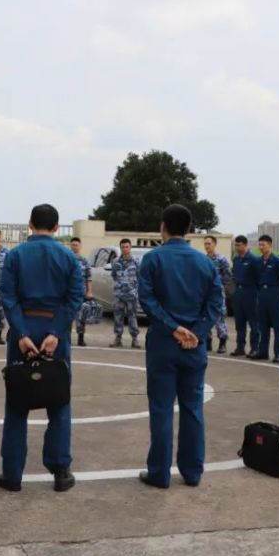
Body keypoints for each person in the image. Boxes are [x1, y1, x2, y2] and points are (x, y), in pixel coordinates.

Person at [0, 204, 83, 493]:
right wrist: (57, 333)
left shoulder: (15, 255)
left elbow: (7, 296)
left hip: (23, 331)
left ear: (30, 224)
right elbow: (75, 298)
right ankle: (60, 470)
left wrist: (20, 333)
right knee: (59, 401)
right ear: (57, 228)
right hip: (54, 334)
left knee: (17, 403)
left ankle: (12, 475)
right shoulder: (69, 257)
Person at [137, 204, 223, 489]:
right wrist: (195, 332)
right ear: (189, 230)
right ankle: (192, 471)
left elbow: (147, 300)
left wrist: (173, 327)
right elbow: (216, 304)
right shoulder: (206, 263)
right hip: (194, 345)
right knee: (192, 409)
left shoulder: (153, 259)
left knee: (161, 409)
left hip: (164, 342)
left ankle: (160, 474)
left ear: (163, 226)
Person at [255, 235, 279, 363]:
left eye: (264, 245)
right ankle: (263, 352)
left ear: (270, 245)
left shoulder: (278, 261)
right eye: (260, 244)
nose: (261, 247)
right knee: (263, 326)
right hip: (262, 295)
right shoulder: (258, 261)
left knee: (278, 327)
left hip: (275, 294)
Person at [231, 236, 261, 357]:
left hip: (251, 293)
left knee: (254, 323)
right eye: (235, 245)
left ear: (245, 245)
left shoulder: (254, 260)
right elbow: (234, 275)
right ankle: (240, 347)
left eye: (238, 245)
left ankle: (254, 348)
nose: (237, 247)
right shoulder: (236, 259)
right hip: (238, 293)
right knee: (239, 323)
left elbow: (258, 278)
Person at [203, 235, 231, 354]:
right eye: (205, 244)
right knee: (205, 317)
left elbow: (228, 275)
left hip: (217, 293)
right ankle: (207, 342)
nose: (207, 246)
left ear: (214, 244)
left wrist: (219, 285)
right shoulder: (203, 259)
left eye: (209, 244)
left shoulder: (221, 259)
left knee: (220, 317)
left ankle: (222, 343)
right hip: (205, 293)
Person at [111, 238, 140, 349]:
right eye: (123, 247)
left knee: (132, 317)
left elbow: (139, 277)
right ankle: (118, 338)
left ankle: (135, 340)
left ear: (130, 247)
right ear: (120, 248)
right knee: (118, 317)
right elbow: (114, 276)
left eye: (127, 247)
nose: (125, 249)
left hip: (131, 294)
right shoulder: (115, 262)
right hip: (119, 294)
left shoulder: (136, 262)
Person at [70, 237, 94, 347]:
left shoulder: (85, 261)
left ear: (80, 246)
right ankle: (67, 338)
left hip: (81, 294)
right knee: (67, 317)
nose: (75, 246)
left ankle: (81, 338)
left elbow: (89, 278)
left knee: (81, 317)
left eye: (76, 245)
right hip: (68, 294)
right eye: (73, 245)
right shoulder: (67, 259)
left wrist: (89, 292)